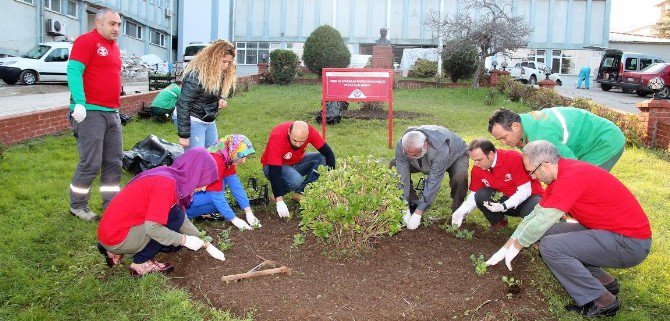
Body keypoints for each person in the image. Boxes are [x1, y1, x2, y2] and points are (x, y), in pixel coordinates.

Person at [486, 141, 651, 318]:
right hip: (610, 232)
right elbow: (536, 214)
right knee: (547, 234)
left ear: (546, 165)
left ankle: (604, 302)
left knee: (550, 246)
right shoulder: (561, 174)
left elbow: (542, 221)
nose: (532, 177)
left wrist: (518, 246)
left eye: (532, 171)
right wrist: (506, 247)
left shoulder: (570, 178)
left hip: (630, 243)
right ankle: (606, 282)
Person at [97, 148, 228, 277]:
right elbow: (153, 228)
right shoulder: (166, 185)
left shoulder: (170, 175)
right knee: (172, 223)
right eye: (204, 180)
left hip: (111, 231)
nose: (204, 188)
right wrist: (185, 240)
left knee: (173, 227)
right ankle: (140, 263)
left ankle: (114, 250)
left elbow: (180, 215)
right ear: (195, 173)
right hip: (118, 237)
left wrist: (205, 242)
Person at [67, 8, 123, 221]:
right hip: (89, 112)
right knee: (90, 162)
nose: (116, 28)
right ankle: (78, 205)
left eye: (118, 24)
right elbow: (73, 71)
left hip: (112, 112)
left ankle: (111, 204)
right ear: (98, 24)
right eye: (112, 24)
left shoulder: (114, 47)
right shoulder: (86, 41)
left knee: (114, 161)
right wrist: (79, 103)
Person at [488, 107, 625, 171]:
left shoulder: (543, 137)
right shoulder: (522, 129)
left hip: (605, 140)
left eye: (504, 137)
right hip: (586, 143)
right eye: (500, 140)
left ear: (515, 125)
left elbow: (571, 167)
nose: (503, 143)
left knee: (585, 180)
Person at [451, 138, 543, 229]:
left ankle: (536, 234)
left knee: (535, 208)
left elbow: (525, 191)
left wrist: (504, 205)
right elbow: (474, 194)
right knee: (481, 195)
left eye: (479, 160)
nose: (475, 164)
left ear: (491, 154)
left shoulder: (513, 158)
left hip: (529, 199)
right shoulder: (477, 169)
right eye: (474, 160)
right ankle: (499, 223)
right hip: (504, 202)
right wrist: (461, 211)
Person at [391, 125, 469, 230]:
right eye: (407, 154)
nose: (410, 157)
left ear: (425, 145)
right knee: (394, 165)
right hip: (424, 158)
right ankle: (412, 203)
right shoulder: (403, 144)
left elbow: (434, 181)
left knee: (459, 177)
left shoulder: (441, 148)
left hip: (455, 155)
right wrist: (404, 205)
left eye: (414, 154)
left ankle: (458, 212)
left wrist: (419, 212)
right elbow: (401, 175)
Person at [261, 121, 336, 218]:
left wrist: (331, 181)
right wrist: (279, 200)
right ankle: (277, 194)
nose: (298, 144)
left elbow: (329, 154)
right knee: (296, 180)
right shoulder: (278, 135)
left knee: (322, 158)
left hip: (295, 162)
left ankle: (300, 193)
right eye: (295, 140)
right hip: (272, 166)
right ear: (289, 132)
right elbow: (274, 171)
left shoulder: (310, 131)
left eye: (302, 141)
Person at [185, 135, 261, 230]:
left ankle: (184, 215)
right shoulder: (216, 162)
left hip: (198, 193)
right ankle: (181, 214)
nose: (243, 161)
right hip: (187, 194)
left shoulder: (226, 157)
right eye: (241, 156)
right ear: (233, 150)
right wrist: (234, 219)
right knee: (218, 201)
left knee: (220, 204)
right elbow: (216, 196)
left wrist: (248, 211)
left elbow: (235, 186)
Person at [176, 40, 236, 149]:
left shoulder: (217, 73)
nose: (227, 66)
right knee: (196, 159)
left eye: (229, 62)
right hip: (192, 118)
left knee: (213, 153)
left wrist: (220, 100)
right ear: (214, 58)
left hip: (207, 119)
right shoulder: (196, 75)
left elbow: (212, 93)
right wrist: (184, 135)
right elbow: (183, 103)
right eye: (224, 61)